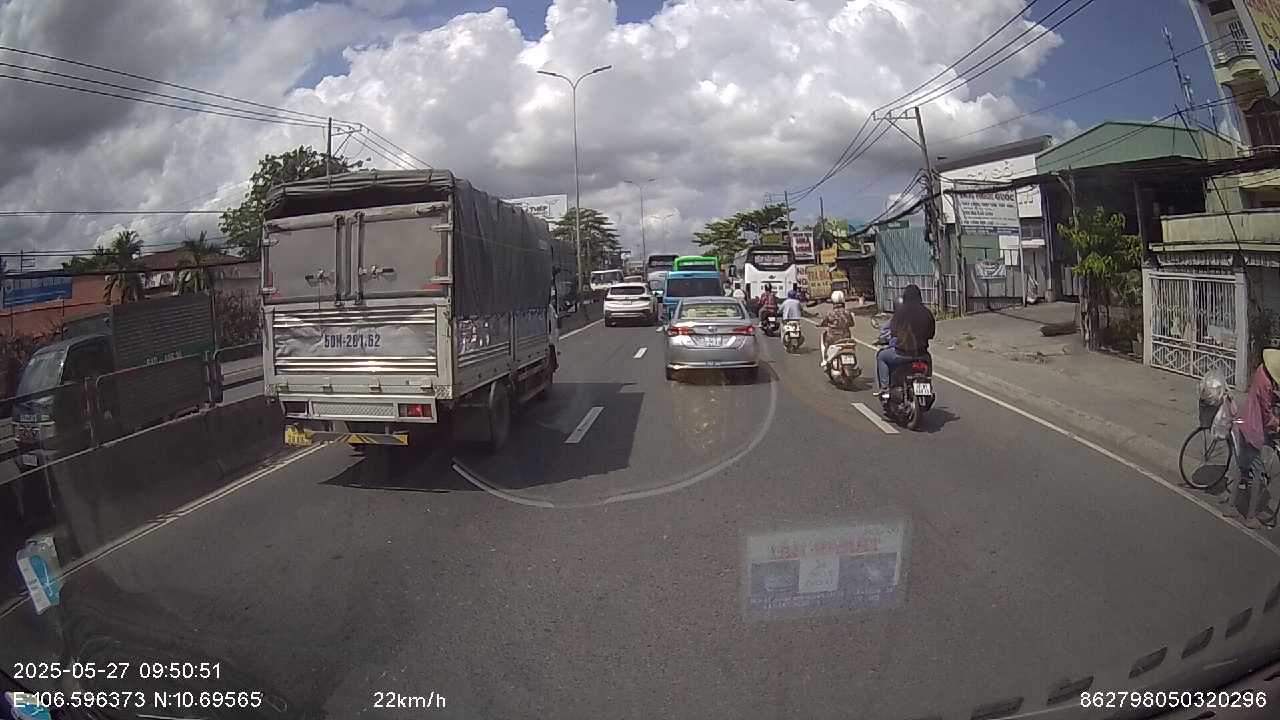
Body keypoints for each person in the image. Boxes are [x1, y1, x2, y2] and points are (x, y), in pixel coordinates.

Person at [1233, 348, 1280, 527]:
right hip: (1254, 430)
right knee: (1258, 473)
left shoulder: (1260, 371)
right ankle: (1251, 516)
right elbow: (1267, 416)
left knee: (1242, 466)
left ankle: (1231, 506)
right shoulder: (1266, 385)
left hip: (1244, 422)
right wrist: (1277, 423)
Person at [876, 284, 935, 397]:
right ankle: (928, 384)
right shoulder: (927, 313)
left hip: (902, 354)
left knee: (881, 356)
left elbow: (893, 332)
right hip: (922, 355)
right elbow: (931, 334)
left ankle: (885, 389)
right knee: (928, 360)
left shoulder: (900, 313)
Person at [818, 290, 855, 368]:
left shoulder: (830, 313)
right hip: (846, 337)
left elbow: (823, 322)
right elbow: (852, 324)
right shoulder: (847, 312)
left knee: (824, 338)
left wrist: (820, 325)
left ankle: (825, 359)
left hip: (832, 337)